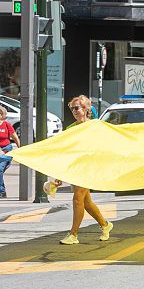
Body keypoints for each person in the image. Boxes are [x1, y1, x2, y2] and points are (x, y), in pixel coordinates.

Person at [57, 96, 114, 245]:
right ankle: (105, 225)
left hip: (90, 168)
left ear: (86, 109)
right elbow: (64, 152)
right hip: (77, 168)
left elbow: (108, 143)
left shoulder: (95, 126)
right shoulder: (70, 129)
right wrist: (59, 174)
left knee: (77, 198)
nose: (74, 111)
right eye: (72, 108)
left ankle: (73, 234)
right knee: (86, 201)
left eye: (77, 108)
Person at [0, 105, 20, 198]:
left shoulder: (7, 125)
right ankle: (2, 191)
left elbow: (15, 138)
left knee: (0, 169)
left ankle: (1, 191)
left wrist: (20, 149)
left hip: (6, 150)